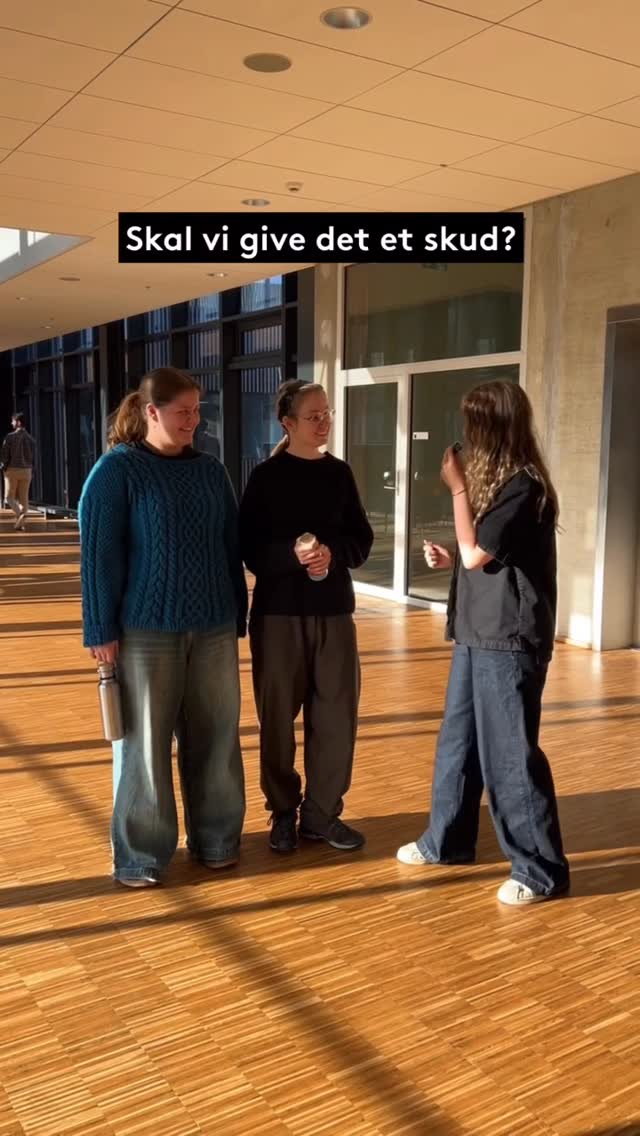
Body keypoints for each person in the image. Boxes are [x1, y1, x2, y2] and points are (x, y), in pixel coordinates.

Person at [397, 381, 570, 906]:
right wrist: (451, 558)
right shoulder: (500, 485)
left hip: (509, 639)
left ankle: (540, 871)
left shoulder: (524, 486)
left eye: (473, 423)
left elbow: (477, 553)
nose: (466, 436)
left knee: (509, 756)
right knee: (459, 741)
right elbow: (483, 556)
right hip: (478, 632)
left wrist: (456, 491)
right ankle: (447, 840)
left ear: (493, 427)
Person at [79, 367, 247, 888]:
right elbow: (99, 557)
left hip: (213, 627)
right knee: (144, 746)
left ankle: (217, 839)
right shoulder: (116, 471)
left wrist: (237, 613)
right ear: (152, 411)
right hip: (144, 632)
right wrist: (99, 628)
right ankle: (140, 855)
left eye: (197, 411)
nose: (193, 421)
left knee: (217, 737)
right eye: (182, 412)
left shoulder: (211, 471)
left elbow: (229, 546)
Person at [239, 380, 374, 855]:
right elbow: (248, 547)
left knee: (336, 718)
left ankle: (321, 815)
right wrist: (291, 557)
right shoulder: (265, 478)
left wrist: (333, 553)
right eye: (314, 416)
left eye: (327, 413)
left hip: (334, 612)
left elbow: (361, 540)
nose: (324, 423)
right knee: (277, 720)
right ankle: (282, 812)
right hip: (277, 616)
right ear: (288, 423)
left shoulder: (340, 474)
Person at [2, 412, 35, 530]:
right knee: (23, 499)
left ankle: (20, 514)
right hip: (27, 471)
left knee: (8, 497)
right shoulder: (31, 439)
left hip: (12, 470)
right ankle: (20, 524)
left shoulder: (10, 437)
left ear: (18, 423)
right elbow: (34, 457)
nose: (11, 423)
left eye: (13, 421)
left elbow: (4, 455)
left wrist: (3, 467)